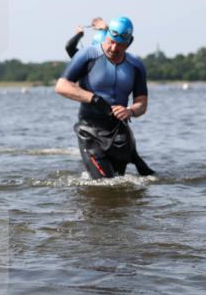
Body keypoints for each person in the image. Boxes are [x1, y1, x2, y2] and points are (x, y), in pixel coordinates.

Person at [55, 16, 154, 179]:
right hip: (90, 130)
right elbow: (61, 86)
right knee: (105, 181)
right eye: (111, 42)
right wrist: (93, 99)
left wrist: (130, 110)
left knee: (120, 186)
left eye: (120, 44)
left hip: (119, 131)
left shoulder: (136, 65)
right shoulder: (88, 55)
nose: (114, 48)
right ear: (107, 36)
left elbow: (142, 103)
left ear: (130, 42)